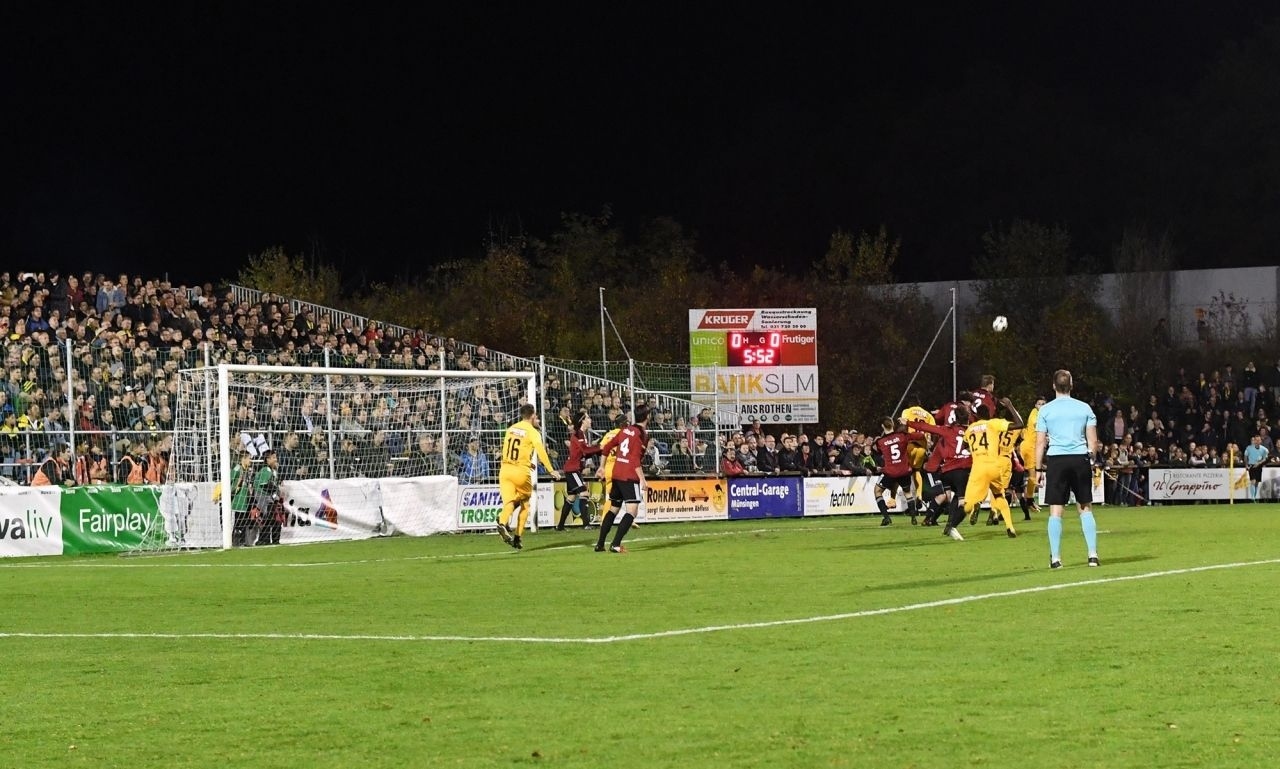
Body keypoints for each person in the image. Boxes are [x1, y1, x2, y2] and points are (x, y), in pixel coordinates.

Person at [1034, 369, 1102, 569]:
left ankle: (1056, 558)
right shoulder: (1084, 408)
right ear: (1071, 385)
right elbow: (1093, 442)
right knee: (1085, 507)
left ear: (1053, 386)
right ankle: (1092, 555)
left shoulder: (1045, 410)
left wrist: (1038, 470)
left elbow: (1040, 443)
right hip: (1079, 458)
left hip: (1056, 460)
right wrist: (1091, 458)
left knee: (1056, 510)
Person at [494, 404, 561, 551]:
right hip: (520, 472)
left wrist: (528, 463)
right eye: (536, 416)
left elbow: (509, 450)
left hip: (505, 470)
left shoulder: (511, 428)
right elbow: (541, 452)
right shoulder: (532, 432)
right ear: (532, 416)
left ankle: (502, 522)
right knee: (524, 503)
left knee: (509, 502)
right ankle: (517, 537)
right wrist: (551, 470)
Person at [961, 397, 1024, 538]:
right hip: (996, 465)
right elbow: (1020, 424)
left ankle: (975, 505)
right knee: (999, 495)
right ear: (989, 414)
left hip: (979, 467)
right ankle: (1010, 527)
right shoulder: (994, 424)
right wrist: (1010, 405)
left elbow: (965, 446)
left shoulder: (970, 428)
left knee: (967, 504)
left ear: (976, 415)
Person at [909, 405, 973, 539]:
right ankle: (952, 526)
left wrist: (908, 423)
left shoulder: (947, 430)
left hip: (946, 471)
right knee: (965, 503)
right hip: (961, 471)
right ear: (968, 418)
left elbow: (927, 427)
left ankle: (944, 523)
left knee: (951, 496)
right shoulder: (971, 432)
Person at [594, 404, 649, 554]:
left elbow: (606, 448)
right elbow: (635, 459)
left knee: (613, 509)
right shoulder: (640, 434)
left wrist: (601, 467)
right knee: (632, 511)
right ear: (647, 417)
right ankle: (616, 544)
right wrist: (643, 479)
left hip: (616, 473)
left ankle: (600, 544)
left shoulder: (624, 430)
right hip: (629, 475)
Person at [873, 418, 927, 526]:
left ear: (882, 426)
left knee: (877, 491)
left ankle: (886, 517)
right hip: (903, 470)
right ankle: (913, 518)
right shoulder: (902, 436)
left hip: (890, 472)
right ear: (893, 424)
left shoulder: (880, 442)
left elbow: (876, 450)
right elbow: (920, 436)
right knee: (908, 493)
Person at [557, 412, 601, 530]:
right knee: (584, 493)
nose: (590, 420)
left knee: (571, 497)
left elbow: (583, 453)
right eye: (588, 418)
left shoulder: (582, 434)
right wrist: (599, 448)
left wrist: (597, 450)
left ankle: (560, 526)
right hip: (573, 470)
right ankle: (586, 524)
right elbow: (585, 450)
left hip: (572, 469)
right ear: (583, 421)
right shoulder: (579, 434)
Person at [1017, 396, 1047, 517]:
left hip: (1031, 448)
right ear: (1035, 405)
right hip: (1028, 448)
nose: (1041, 406)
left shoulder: (1041, 414)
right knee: (1032, 475)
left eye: (1043, 404)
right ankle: (1029, 500)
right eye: (1039, 404)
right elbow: (1035, 423)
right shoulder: (1035, 413)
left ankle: (1029, 500)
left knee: (1030, 476)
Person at [254, 449, 285, 545]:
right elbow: (264, 485)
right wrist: (275, 491)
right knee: (269, 518)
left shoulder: (273, 471)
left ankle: (274, 540)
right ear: (267, 459)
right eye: (274, 457)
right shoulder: (265, 470)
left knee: (275, 518)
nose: (276, 459)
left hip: (269, 497)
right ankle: (263, 540)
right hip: (262, 496)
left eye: (276, 457)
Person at [228, 452, 255, 546]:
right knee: (238, 522)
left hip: (245, 501)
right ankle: (234, 542)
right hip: (238, 502)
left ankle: (241, 542)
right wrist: (237, 485)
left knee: (243, 522)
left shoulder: (246, 471)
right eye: (249, 458)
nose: (250, 461)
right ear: (243, 459)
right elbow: (228, 483)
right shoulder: (237, 468)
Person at [1244, 434, 1270, 502]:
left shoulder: (1264, 449)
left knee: (1256, 482)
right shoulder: (1249, 448)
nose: (1257, 441)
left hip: (1259, 466)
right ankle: (1252, 497)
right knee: (1253, 481)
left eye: (1258, 440)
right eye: (1256, 440)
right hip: (1252, 466)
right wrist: (1246, 465)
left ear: (1261, 441)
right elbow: (1245, 456)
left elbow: (1265, 458)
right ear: (1254, 441)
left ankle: (1254, 497)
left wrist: (1259, 463)